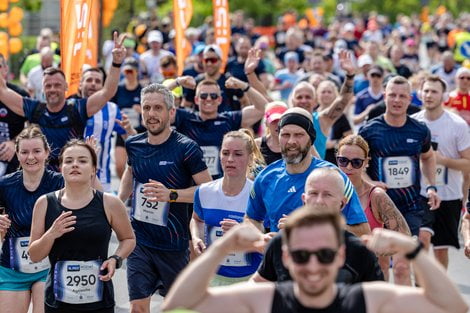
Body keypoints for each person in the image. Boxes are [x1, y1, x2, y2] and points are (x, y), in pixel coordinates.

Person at [162, 208, 468, 313]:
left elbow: (452, 306)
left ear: (340, 256)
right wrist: (220, 248)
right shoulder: (267, 299)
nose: (312, 266)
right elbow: (179, 303)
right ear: (285, 257)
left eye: (323, 255)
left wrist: (409, 248)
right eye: (300, 255)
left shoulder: (365, 300)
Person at [118, 84, 211, 313]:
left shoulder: (186, 149)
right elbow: (130, 173)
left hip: (174, 245)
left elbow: (208, 191)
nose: (151, 114)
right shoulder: (134, 144)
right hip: (140, 240)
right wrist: (118, 203)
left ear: (171, 112)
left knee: (176, 308)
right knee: (138, 306)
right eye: (146, 107)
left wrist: (171, 195)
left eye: (158, 108)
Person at [28, 139, 136, 313]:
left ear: (93, 169)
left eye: (83, 161)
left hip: (99, 301)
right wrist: (51, 234)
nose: (75, 165)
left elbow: (129, 239)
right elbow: (34, 255)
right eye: (68, 161)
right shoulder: (44, 203)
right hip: (57, 301)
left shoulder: (110, 203)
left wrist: (115, 259)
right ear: (61, 168)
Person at [0, 33, 126, 170]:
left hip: (70, 178)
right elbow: (3, 92)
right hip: (41, 179)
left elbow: (107, 92)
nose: (52, 89)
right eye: (48, 86)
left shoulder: (77, 109)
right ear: (42, 89)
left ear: (66, 87)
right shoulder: (36, 109)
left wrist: (116, 63)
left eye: (57, 85)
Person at [245, 107, 370, 236]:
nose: (291, 141)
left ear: (311, 139)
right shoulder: (265, 177)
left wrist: (313, 227)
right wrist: (262, 238)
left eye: (299, 135)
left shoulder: (334, 177)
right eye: (285, 135)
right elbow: (251, 219)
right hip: (280, 255)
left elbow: (363, 232)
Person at [252, 167, 383, 284]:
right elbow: (256, 287)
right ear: (304, 199)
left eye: (327, 195)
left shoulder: (358, 251)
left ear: (342, 203)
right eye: (313, 193)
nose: (319, 201)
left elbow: (379, 301)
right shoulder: (280, 244)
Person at [359, 76, 440, 237]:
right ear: (384, 96)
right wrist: (370, 183)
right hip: (378, 206)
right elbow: (356, 166)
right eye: (392, 95)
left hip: (410, 206)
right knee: (381, 260)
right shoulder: (369, 131)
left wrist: (431, 186)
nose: (397, 100)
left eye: (402, 96)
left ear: (410, 99)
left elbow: (429, 157)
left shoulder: (420, 130)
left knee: (404, 259)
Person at [0, 126, 64, 313]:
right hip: (12, 267)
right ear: (17, 155)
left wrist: (91, 164)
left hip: (49, 266)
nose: (30, 157)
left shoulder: (59, 182)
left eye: (36, 151)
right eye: (24, 152)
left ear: (46, 152)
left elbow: (94, 197)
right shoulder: (5, 184)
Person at [412, 75, 470, 269]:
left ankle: (438, 291)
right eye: (426, 91)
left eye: (434, 91)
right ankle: (421, 289)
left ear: (444, 96)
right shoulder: (413, 123)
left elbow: (468, 164)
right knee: (422, 239)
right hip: (421, 193)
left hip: (449, 194)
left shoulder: (457, 125)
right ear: (420, 94)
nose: (429, 95)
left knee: (441, 250)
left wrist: (442, 160)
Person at [336, 134, 412, 284]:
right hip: (336, 275)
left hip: (370, 278)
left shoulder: (376, 195)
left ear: (366, 163)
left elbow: (405, 237)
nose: (349, 167)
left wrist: (373, 249)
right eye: (343, 161)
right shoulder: (327, 191)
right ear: (336, 159)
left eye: (356, 162)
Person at [191, 130, 264, 285]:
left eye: (238, 154)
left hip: (248, 280)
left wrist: (243, 233)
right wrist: (196, 236)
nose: (230, 159)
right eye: (225, 153)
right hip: (211, 277)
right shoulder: (204, 191)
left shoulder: (259, 196)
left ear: (250, 159)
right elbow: (196, 219)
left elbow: (268, 236)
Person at [171, 77, 267, 179]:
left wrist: (243, 86)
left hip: (221, 185)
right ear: (196, 99)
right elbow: (155, 101)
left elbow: (264, 108)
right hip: (190, 185)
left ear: (219, 100)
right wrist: (177, 82)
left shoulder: (229, 119)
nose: (208, 99)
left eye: (213, 96)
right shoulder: (184, 117)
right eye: (203, 96)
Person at [75, 67, 136, 192]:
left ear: (103, 87)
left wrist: (129, 129)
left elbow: (131, 140)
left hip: (101, 179)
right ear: (80, 85)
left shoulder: (112, 110)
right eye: (89, 80)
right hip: (72, 177)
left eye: (98, 81)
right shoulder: (70, 106)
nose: (93, 83)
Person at [289, 50, 356, 158]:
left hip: (317, 173)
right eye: (299, 97)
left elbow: (343, 99)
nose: (303, 101)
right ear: (292, 101)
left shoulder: (322, 120)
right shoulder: (284, 121)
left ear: (315, 101)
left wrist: (350, 75)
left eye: (308, 97)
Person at [0, 53, 29, 177]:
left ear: (6, 69)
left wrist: (14, 142)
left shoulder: (19, 94)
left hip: (13, 159)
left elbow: (34, 125)